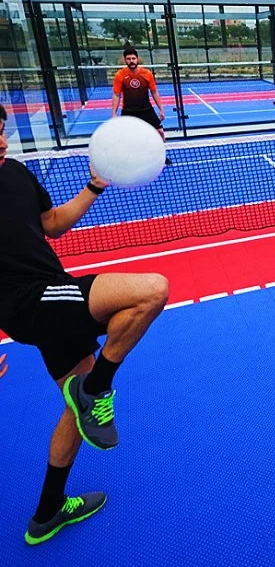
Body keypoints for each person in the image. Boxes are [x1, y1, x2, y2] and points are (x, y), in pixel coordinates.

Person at [0, 102, 169, 545]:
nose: (2, 140)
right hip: (26, 303)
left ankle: (47, 510)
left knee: (77, 415)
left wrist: (95, 185)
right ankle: (96, 387)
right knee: (152, 289)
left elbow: (52, 225)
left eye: (1, 130)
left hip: (50, 291)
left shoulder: (14, 172)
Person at [112, 46, 171, 164]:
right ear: (125, 60)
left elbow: (154, 92)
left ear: (137, 59)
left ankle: (160, 156)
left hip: (146, 110)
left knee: (160, 133)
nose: (131, 61)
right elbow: (117, 95)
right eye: (128, 59)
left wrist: (161, 109)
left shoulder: (147, 74)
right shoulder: (120, 75)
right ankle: (131, 159)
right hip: (129, 111)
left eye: (133, 58)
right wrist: (113, 113)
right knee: (127, 138)